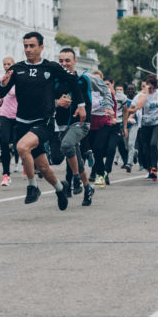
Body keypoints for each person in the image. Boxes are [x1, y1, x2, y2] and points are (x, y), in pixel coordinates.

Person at [0, 31, 85, 210]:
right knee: (44, 167)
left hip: (43, 122)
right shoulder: (17, 68)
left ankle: (32, 186)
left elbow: (74, 81)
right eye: (26, 46)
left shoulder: (51, 67)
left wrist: (80, 104)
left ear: (41, 47)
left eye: (32, 46)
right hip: (21, 122)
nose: (28, 49)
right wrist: (3, 84)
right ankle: (60, 188)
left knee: (22, 147)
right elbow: (0, 95)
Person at [54, 48, 100, 205]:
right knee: (71, 156)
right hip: (60, 124)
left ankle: (75, 179)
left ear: (75, 61)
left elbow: (87, 101)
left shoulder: (82, 79)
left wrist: (78, 107)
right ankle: (87, 188)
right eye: (61, 61)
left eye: (67, 60)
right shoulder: (55, 80)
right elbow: (48, 101)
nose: (64, 64)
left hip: (80, 123)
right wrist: (57, 103)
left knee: (67, 145)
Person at [132, 74, 158, 181]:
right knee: (145, 147)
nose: (151, 89)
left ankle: (154, 167)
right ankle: (149, 167)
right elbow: (140, 106)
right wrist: (146, 92)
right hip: (145, 125)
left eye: (152, 88)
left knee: (153, 143)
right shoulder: (142, 95)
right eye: (148, 87)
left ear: (155, 87)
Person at [0, 57, 18, 186]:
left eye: (9, 64)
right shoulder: (2, 79)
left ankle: (29, 167)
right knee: (4, 142)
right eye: (4, 64)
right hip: (5, 114)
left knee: (18, 145)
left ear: (13, 65)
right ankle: (6, 174)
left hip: (18, 115)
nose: (6, 66)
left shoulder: (19, 80)